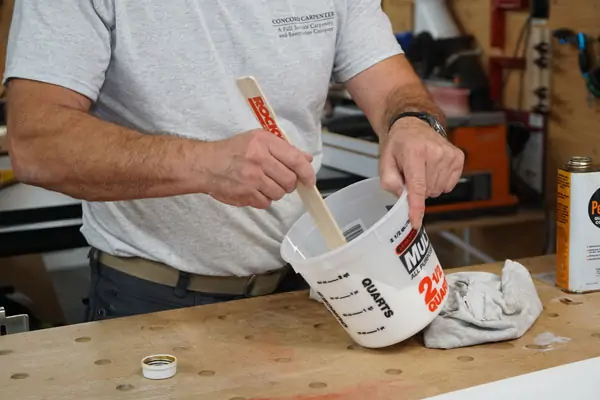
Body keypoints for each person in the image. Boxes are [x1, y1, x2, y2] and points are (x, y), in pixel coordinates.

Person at [3, 1, 464, 321]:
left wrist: (413, 122)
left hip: (305, 289)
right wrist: (203, 165)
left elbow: (395, 91)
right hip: (151, 300)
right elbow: (37, 142)